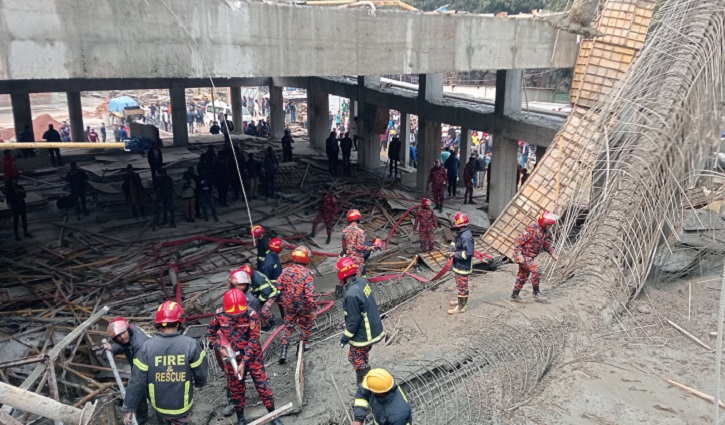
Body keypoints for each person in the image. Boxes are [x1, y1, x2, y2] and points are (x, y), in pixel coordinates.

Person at [122, 301, 208, 425]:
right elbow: (201, 374)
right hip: (182, 406)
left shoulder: (147, 347)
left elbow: (136, 380)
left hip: (159, 406)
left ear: (159, 324)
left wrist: (129, 407)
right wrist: (200, 384)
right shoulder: (190, 344)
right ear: (179, 322)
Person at [207, 289, 285, 425]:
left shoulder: (252, 315)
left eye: (240, 314)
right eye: (233, 315)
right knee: (237, 390)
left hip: (253, 356)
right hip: (232, 358)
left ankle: (273, 416)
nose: (237, 317)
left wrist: (243, 363)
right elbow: (210, 333)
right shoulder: (220, 315)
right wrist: (220, 349)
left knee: (263, 387)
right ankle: (241, 419)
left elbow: (254, 340)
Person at [336, 257, 384, 382]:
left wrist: (344, 339)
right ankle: (367, 378)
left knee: (354, 358)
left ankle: (365, 386)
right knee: (362, 356)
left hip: (364, 335)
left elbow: (353, 321)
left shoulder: (351, 294)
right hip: (374, 328)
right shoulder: (362, 282)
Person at [102, 318, 150, 425]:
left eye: (122, 333)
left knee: (150, 393)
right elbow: (126, 344)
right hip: (143, 367)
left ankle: (163, 420)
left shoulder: (141, 345)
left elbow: (137, 380)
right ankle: (142, 419)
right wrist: (113, 349)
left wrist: (129, 409)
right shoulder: (131, 332)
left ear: (128, 328)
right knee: (140, 392)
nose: (121, 337)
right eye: (117, 337)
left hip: (152, 371)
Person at [275, 247, 316, 364]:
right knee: (306, 327)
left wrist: (284, 301)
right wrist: (313, 309)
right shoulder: (307, 274)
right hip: (304, 307)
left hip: (289, 306)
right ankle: (301, 348)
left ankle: (283, 352)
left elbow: (278, 286)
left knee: (288, 327)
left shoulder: (285, 271)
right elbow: (309, 295)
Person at [511, 210, 559, 302]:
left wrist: (552, 254)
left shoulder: (545, 232)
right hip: (524, 256)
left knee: (523, 276)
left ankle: (514, 295)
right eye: (549, 225)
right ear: (544, 223)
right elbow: (518, 241)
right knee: (537, 271)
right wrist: (519, 255)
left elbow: (546, 245)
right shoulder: (531, 229)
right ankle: (536, 292)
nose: (550, 227)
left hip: (530, 256)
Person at [236, 265, 280, 330]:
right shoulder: (250, 277)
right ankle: (264, 326)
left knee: (264, 311)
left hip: (271, 294)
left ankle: (273, 323)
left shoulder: (258, 279)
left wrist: (258, 301)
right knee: (258, 310)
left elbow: (266, 292)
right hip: (261, 294)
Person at [447, 212, 474, 315]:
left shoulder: (466, 237)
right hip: (459, 265)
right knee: (460, 286)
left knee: (462, 286)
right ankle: (460, 301)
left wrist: (455, 254)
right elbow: (455, 241)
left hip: (463, 266)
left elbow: (469, 253)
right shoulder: (461, 232)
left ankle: (460, 307)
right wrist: (451, 249)